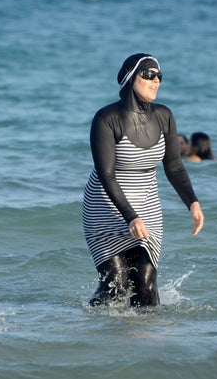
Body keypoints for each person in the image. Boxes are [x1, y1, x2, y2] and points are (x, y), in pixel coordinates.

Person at [82, 53, 204, 307]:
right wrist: (130, 216)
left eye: (159, 75)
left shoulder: (164, 116)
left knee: (146, 284)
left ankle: (146, 342)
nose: (156, 80)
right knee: (116, 285)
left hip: (147, 207)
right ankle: (94, 332)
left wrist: (192, 203)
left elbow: (173, 166)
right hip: (105, 207)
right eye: (148, 74)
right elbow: (106, 175)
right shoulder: (106, 119)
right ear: (129, 78)